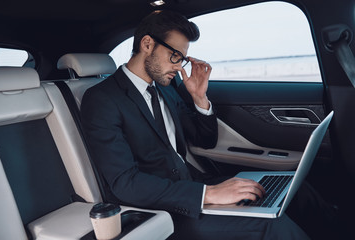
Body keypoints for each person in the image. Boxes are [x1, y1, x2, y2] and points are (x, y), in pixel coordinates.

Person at [81, 10, 309, 239]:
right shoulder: (102, 99)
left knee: (294, 191)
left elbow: (205, 140)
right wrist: (207, 194)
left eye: (183, 59)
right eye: (175, 56)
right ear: (148, 44)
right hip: (162, 209)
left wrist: (200, 98)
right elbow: (125, 183)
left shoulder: (165, 88)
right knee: (273, 226)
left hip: (194, 183)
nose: (180, 67)